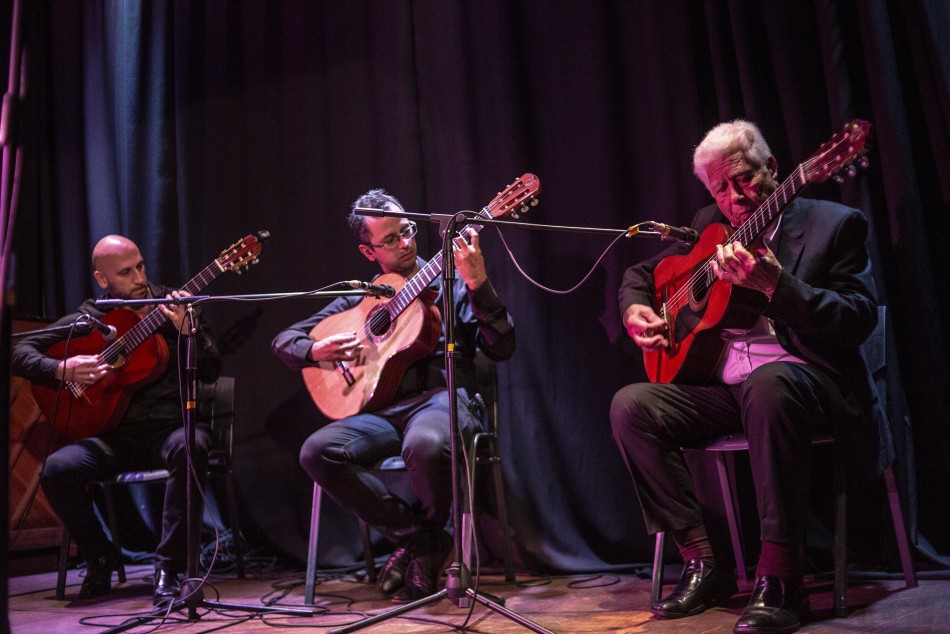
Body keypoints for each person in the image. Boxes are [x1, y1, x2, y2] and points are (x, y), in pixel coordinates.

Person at [610, 120, 884, 634]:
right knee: (632, 405)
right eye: (721, 188)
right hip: (730, 391)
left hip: (810, 384)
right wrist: (636, 312)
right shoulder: (707, 224)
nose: (736, 197)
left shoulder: (835, 224)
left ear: (773, 169)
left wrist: (778, 287)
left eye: (744, 179)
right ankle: (703, 563)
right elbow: (641, 276)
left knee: (769, 384)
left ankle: (781, 580)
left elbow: (858, 318)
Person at [272, 189, 515, 603]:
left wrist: (479, 283)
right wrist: (316, 351)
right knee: (317, 451)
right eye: (391, 239)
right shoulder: (362, 297)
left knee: (424, 443)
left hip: (442, 400)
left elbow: (502, 346)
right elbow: (284, 340)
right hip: (383, 412)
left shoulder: (449, 280)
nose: (405, 243)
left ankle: (420, 548)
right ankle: (425, 541)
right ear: (368, 252)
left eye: (407, 231)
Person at [11, 235, 221, 605]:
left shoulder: (175, 305)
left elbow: (212, 369)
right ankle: (100, 557)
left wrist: (189, 333)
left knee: (193, 444)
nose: (139, 278)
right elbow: (18, 350)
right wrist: (61, 368)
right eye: (126, 272)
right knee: (57, 470)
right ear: (103, 279)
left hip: (168, 430)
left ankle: (168, 568)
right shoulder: (91, 318)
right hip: (114, 437)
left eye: (140, 266)